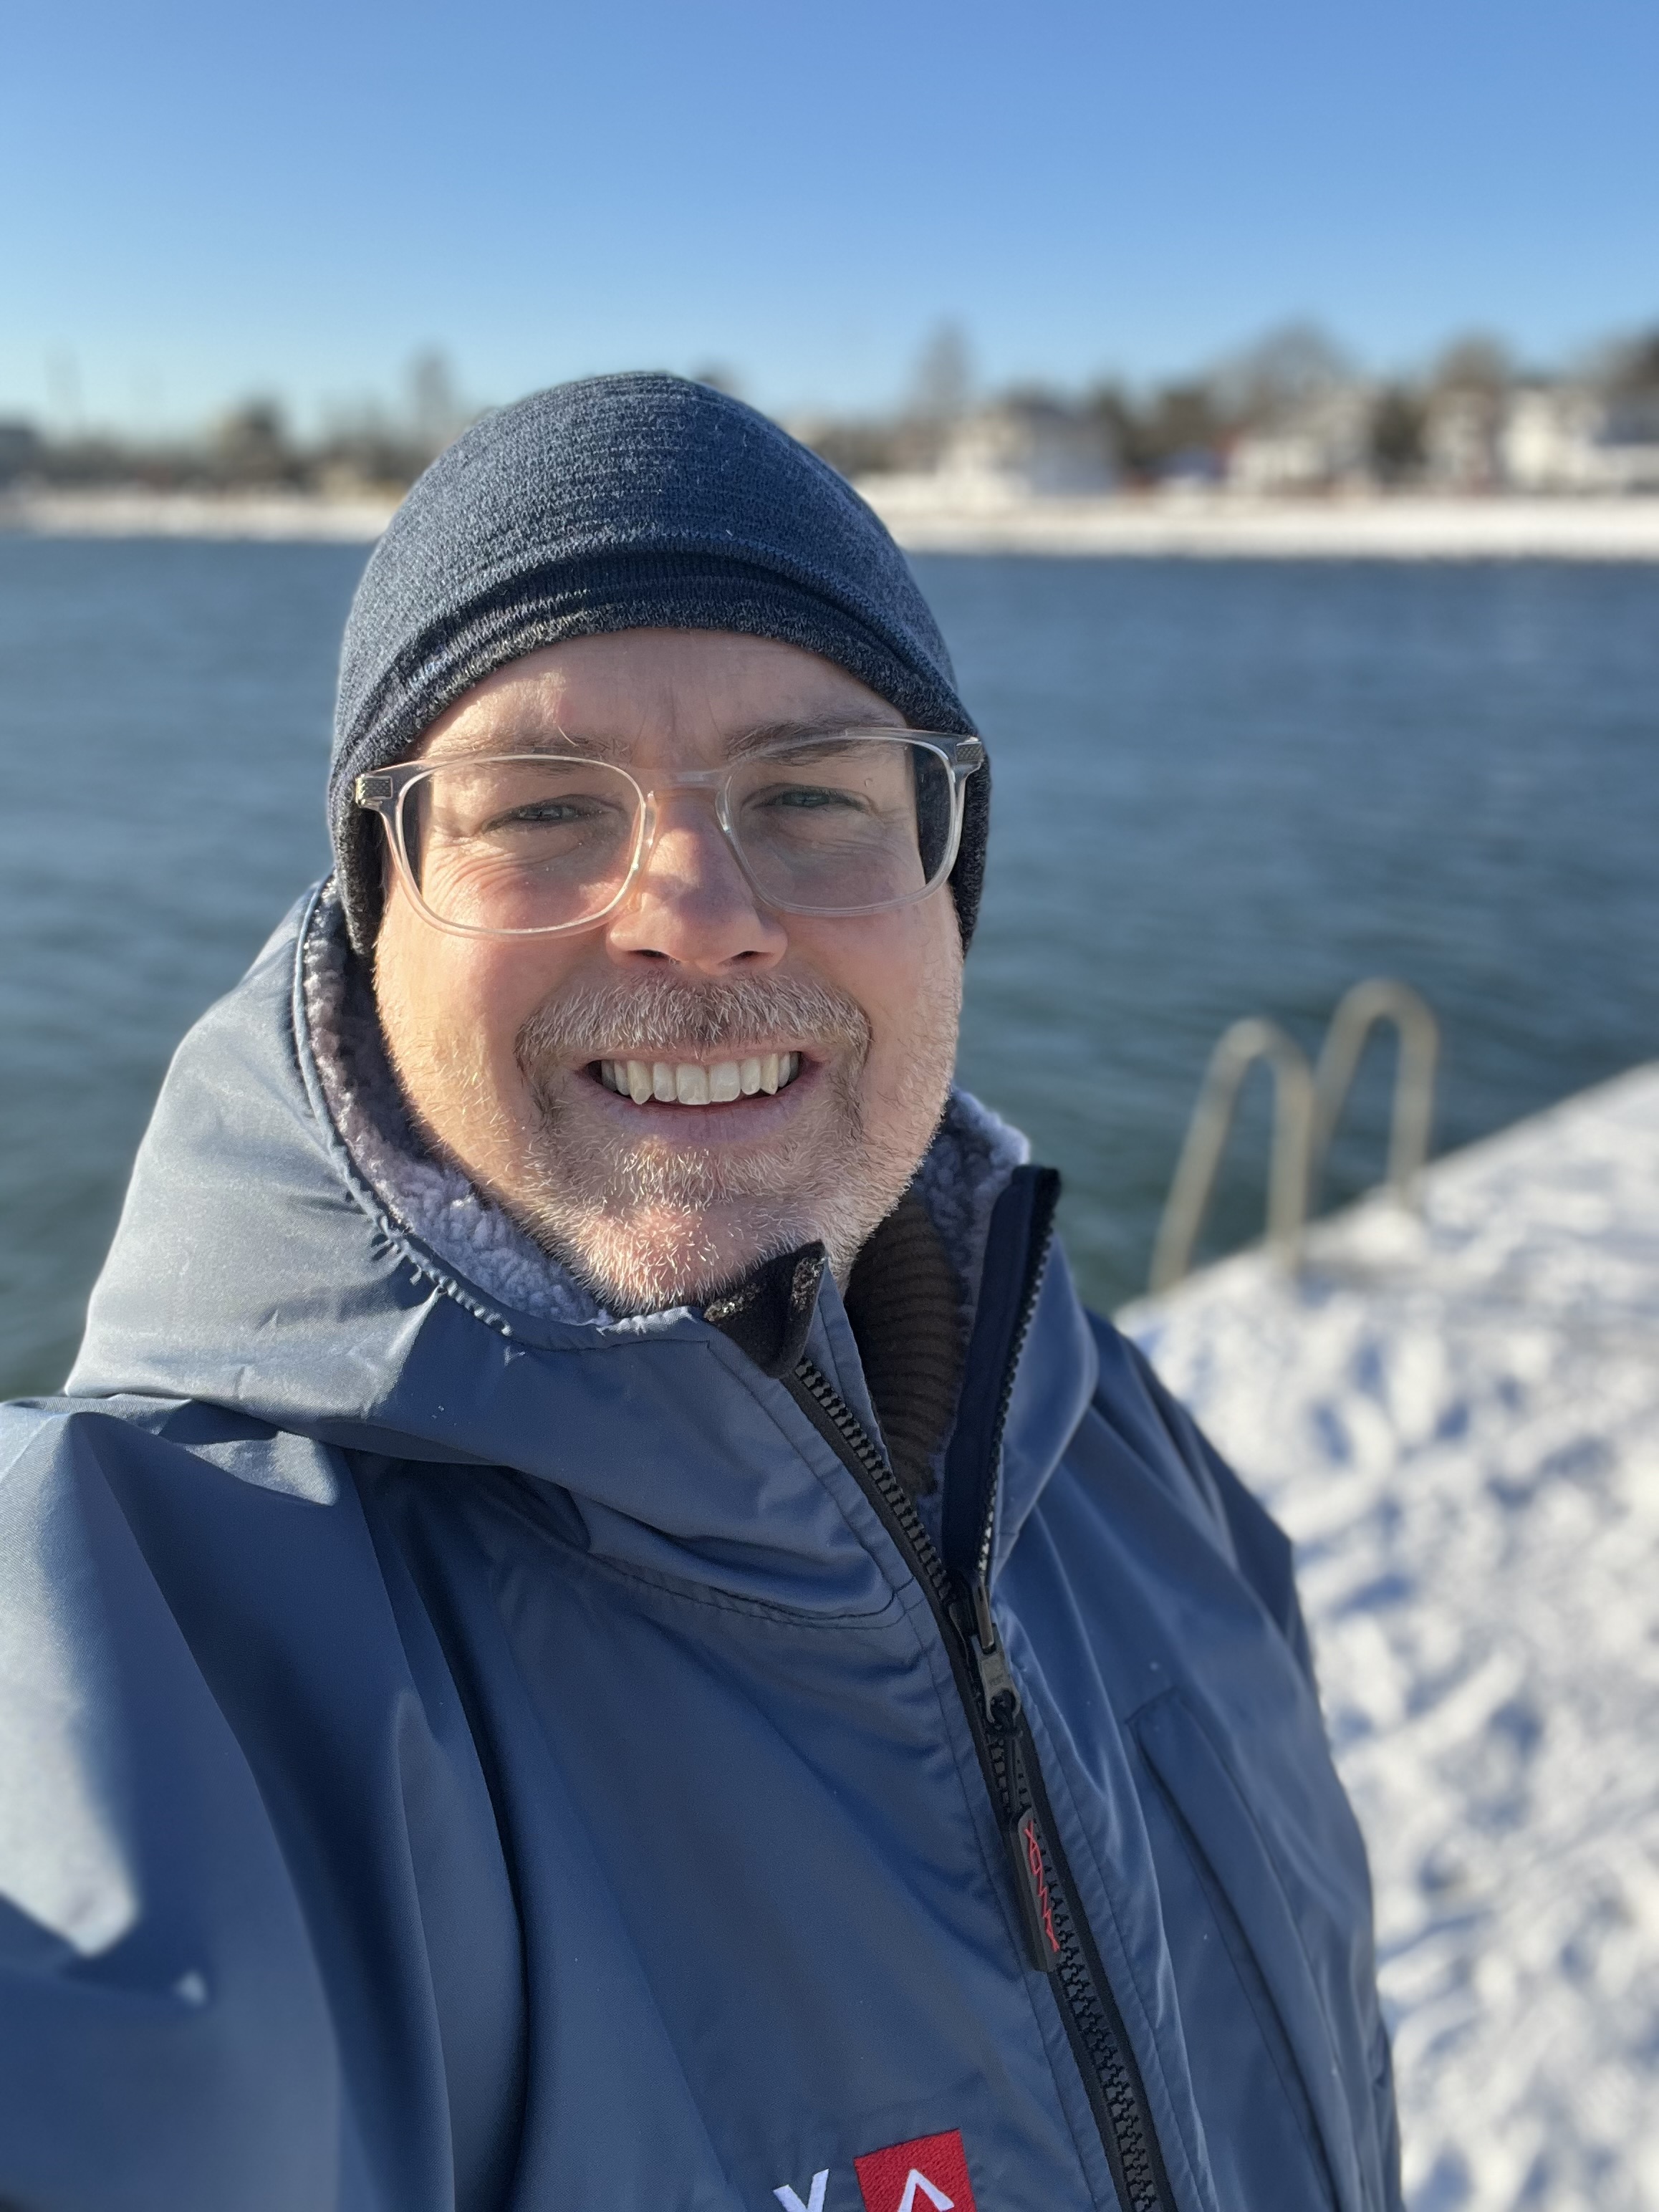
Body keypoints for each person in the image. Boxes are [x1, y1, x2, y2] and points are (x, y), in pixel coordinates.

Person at [0, 375, 1400, 2212]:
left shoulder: (1099, 1426)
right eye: (539, 809)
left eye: (813, 790)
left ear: (947, 888)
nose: (698, 905)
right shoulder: (160, 1631)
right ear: (372, 912)